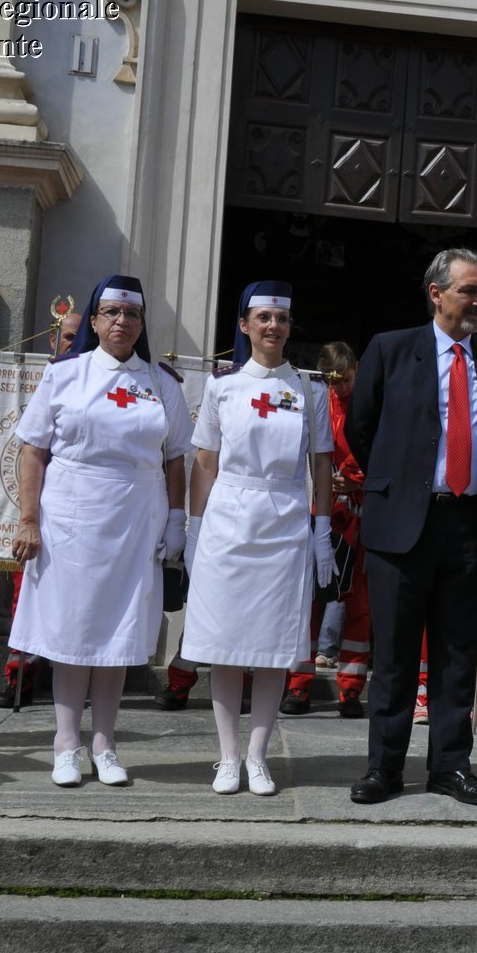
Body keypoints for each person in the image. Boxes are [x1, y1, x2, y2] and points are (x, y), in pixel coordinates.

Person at [345, 248, 477, 807]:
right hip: (403, 526)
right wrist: (402, 485)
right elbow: (361, 428)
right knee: (394, 654)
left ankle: (451, 765)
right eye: (470, 291)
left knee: (457, 655)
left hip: (471, 526)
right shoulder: (391, 350)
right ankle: (385, 768)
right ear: (436, 293)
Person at [8, 274, 192, 788]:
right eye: (111, 313)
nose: (122, 322)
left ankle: (105, 744)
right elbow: (32, 450)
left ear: (141, 324)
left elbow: (176, 457)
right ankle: (65, 743)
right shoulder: (65, 375)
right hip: (71, 515)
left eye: (131, 314)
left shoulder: (161, 383)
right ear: (93, 321)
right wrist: (28, 519)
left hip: (136, 519)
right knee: (73, 631)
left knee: (118, 633)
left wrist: (178, 521)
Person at [181, 280, 333, 795]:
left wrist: (323, 529)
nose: (273, 327)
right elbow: (204, 461)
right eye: (263, 318)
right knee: (225, 641)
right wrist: (194, 528)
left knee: (272, 644)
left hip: (285, 517)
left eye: (282, 319)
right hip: (229, 514)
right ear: (244, 325)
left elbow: (322, 465)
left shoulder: (310, 389)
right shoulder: (222, 386)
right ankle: (227, 756)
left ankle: (258, 755)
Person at [0, 308, 83, 709]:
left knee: (77, 600)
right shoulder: (47, 380)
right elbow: (28, 452)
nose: (73, 345)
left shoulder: (90, 381)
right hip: (38, 510)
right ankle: (20, 675)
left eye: (80, 337)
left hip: (79, 515)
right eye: (67, 338)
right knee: (25, 597)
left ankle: (77, 676)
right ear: (53, 340)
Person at [282, 340, 372, 718]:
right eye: (334, 382)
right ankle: (299, 688)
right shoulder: (313, 401)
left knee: (358, 608)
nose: (340, 388)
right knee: (309, 603)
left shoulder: (373, 404)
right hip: (318, 512)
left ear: (357, 370)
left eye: (347, 380)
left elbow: (386, 457)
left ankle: (350, 690)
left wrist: (357, 481)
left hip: (361, 515)